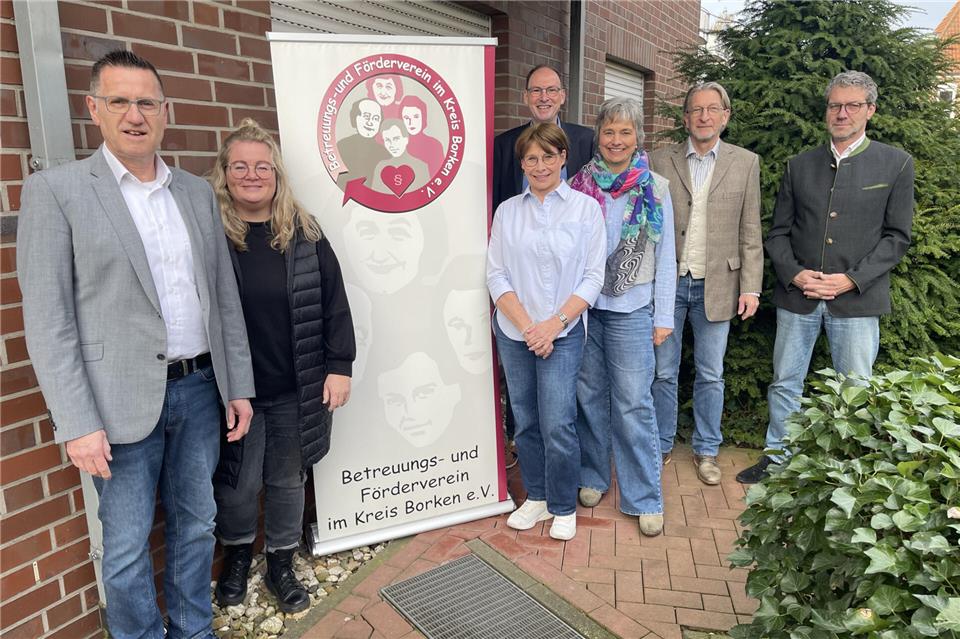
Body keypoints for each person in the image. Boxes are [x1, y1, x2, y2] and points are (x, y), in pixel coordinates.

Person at [17, 50, 254, 639]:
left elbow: (224, 298)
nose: (134, 115)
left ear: (165, 112)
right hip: (114, 406)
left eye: (146, 102)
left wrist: (238, 385)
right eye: (119, 101)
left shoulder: (196, 193)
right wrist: (75, 422)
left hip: (201, 391)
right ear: (94, 109)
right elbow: (48, 320)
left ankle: (193, 631)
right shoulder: (57, 191)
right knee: (124, 551)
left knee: (198, 527)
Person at [736, 70, 914, 484]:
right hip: (799, 296)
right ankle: (778, 458)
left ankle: (848, 469)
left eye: (852, 105)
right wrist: (795, 275)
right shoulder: (799, 166)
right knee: (785, 382)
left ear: (870, 110)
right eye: (835, 104)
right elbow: (778, 232)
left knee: (854, 389)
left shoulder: (896, 163)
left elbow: (897, 238)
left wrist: (849, 280)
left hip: (855, 300)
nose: (842, 112)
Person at [209, 119, 356, 612]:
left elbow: (334, 301)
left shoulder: (304, 231)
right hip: (236, 391)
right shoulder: (210, 235)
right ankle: (235, 556)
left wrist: (340, 365)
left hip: (298, 384)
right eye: (240, 166)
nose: (252, 175)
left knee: (288, 479)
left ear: (277, 174)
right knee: (238, 483)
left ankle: (279, 560)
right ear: (224, 174)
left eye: (262, 167)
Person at [487, 122, 605, 541]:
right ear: (522, 163)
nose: (540, 166)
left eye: (548, 156)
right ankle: (535, 496)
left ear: (563, 158)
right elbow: (497, 275)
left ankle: (561, 504)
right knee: (526, 420)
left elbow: (593, 277)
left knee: (558, 421)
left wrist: (553, 325)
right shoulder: (507, 211)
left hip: (564, 331)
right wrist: (526, 326)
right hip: (515, 333)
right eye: (532, 158)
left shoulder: (585, 209)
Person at [571, 97, 677, 537]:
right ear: (599, 134)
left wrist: (663, 316)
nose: (616, 140)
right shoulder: (576, 184)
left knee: (634, 403)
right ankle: (594, 476)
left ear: (638, 138)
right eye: (610, 131)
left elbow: (667, 257)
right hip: (585, 310)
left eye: (625, 132)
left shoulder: (656, 187)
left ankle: (643, 497)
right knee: (590, 397)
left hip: (633, 309)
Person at [649, 82, 763, 485]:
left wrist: (751, 287)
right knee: (663, 371)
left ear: (725, 116)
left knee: (711, 373)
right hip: (668, 285)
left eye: (712, 109)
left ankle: (707, 450)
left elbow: (751, 230)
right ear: (685, 118)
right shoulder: (659, 160)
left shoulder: (745, 163)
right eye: (696, 110)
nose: (704, 116)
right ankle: (660, 443)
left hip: (719, 284)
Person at [492, 65, 595, 212]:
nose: (544, 97)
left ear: (562, 96)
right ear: (526, 97)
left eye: (552, 90)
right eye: (536, 90)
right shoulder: (504, 145)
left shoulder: (586, 141)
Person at [336, 98, 389, 189]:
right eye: (366, 116)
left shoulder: (385, 154)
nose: (370, 122)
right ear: (354, 119)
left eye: (375, 119)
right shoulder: (342, 146)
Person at [371, 119, 430, 195]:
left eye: (396, 139)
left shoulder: (421, 167)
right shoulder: (380, 167)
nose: (392, 144)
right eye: (387, 140)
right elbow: (375, 198)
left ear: (406, 139)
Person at [400, 94, 444, 175]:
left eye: (416, 117)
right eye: (406, 118)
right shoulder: (395, 145)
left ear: (423, 117)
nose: (411, 122)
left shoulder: (435, 146)